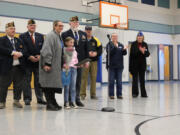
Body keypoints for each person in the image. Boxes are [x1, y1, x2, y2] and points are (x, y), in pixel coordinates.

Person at [61, 16, 89, 107]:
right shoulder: (65, 34)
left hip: (79, 62)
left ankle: (76, 99)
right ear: (70, 23)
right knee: (68, 83)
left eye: (77, 22)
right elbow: (63, 49)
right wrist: (64, 63)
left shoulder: (83, 34)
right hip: (69, 63)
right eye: (73, 22)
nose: (75, 24)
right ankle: (68, 100)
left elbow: (86, 48)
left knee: (78, 81)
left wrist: (86, 61)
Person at [19, 19, 46, 105]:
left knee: (39, 81)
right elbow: (22, 48)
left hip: (38, 62)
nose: (32, 27)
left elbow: (43, 48)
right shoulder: (22, 36)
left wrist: (40, 55)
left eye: (34, 26)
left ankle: (40, 98)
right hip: (27, 62)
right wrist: (29, 56)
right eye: (31, 25)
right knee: (26, 81)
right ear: (27, 26)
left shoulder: (40, 36)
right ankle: (27, 99)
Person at [0, 22, 26, 109]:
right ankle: (2, 102)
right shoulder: (2, 40)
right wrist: (12, 52)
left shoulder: (18, 40)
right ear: (6, 30)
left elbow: (25, 50)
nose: (13, 30)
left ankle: (16, 100)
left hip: (18, 67)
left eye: (14, 29)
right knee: (4, 85)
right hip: (7, 67)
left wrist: (20, 54)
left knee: (18, 85)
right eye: (11, 29)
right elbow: (1, 49)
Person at [39, 20, 64, 111]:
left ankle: (53, 102)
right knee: (48, 85)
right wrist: (47, 63)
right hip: (49, 64)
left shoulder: (58, 36)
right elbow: (46, 50)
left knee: (52, 85)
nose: (61, 27)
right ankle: (49, 104)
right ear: (54, 26)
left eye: (62, 26)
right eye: (59, 26)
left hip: (56, 65)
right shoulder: (51, 35)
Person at [80, 26, 102, 100]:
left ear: (91, 31)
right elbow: (80, 50)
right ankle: (82, 94)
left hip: (94, 61)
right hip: (85, 61)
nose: (88, 31)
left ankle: (93, 94)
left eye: (90, 30)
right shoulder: (82, 40)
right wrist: (86, 54)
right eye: (87, 30)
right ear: (85, 31)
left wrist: (96, 53)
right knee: (84, 77)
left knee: (93, 77)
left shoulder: (96, 40)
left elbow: (100, 50)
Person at [106, 33, 127, 99]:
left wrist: (124, 49)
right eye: (113, 36)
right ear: (111, 37)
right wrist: (115, 47)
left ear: (117, 37)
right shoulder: (109, 44)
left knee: (119, 81)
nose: (114, 37)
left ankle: (119, 94)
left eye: (116, 36)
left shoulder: (121, 44)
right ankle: (111, 95)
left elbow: (124, 53)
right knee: (111, 81)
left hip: (119, 66)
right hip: (111, 66)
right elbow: (109, 53)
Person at [129, 31, 150, 98]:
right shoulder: (133, 44)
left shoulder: (145, 44)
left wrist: (144, 52)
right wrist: (140, 51)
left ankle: (143, 94)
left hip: (142, 65)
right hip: (134, 65)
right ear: (137, 37)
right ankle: (135, 93)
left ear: (143, 37)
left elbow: (148, 54)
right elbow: (132, 54)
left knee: (142, 80)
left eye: (141, 37)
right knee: (135, 80)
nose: (139, 38)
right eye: (138, 37)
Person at [63, 37, 78, 109]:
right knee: (67, 86)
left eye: (73, 42)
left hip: (74, 69)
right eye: (70, 42)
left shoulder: (75, 51)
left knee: (73, 86)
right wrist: (64, 65)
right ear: (66, 43)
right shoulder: (64, 50)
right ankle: (66, 102)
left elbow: (76, 60)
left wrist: (78, 64)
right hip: (67, 69)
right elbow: (63, 59)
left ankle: (73, 101)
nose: (72, 44)